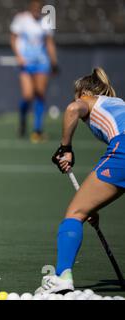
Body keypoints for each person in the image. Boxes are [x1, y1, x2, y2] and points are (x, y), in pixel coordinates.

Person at [35, 67, 123, 294]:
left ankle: (62, 276)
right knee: (83, 208)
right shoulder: (118, 104)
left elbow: (73, 109)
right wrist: (92, 205)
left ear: (84, 92)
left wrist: (65, 148)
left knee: (75, 213)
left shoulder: (89, 101)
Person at [10, 0, 58, 143]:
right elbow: (13, 38)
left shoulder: (46, 22)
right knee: (28, 95)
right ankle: (23, 119)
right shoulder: (21, 19)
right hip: (26, 63)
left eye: (39, 8)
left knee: (40, 94)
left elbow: (49, 42)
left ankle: (37, 130)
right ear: (31, 8)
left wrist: (54, 62)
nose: (37, 11)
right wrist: (19, 56)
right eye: (35, 8)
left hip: (42, 62)